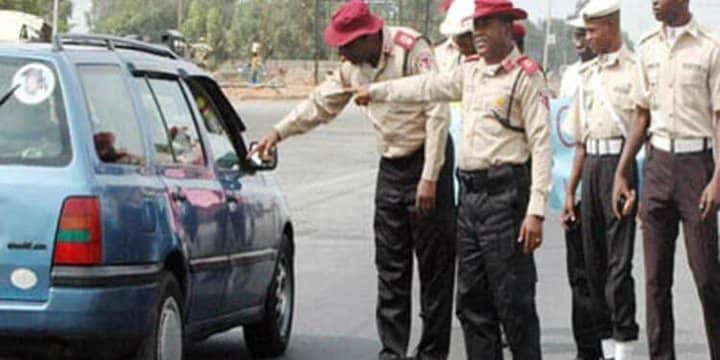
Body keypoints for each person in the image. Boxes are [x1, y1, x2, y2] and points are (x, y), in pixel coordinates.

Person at [249, 2, 455, 359]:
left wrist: (430, 177)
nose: (340, 51)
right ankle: (392, 351)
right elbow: (318, 105)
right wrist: (276, 134)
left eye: (345, 44)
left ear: (367, 36)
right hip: (392, 164)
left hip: (428, 160)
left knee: (434, 268)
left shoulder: (411, 49)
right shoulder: (351, 67)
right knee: (391, 267)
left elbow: (437, 110)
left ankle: (432, 352)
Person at [356, 0, 551, 358]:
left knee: (513, 302)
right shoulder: (470, 72)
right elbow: (425, 87)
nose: (478, 35)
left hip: (505, 197)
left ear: (508, 27)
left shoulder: (525, 75)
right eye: (475, 26)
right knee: (473, 303)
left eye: (487, 25)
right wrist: (378, 91)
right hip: (471, 198)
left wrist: (535, 210)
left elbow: (541, 146)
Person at [612, 0, 720, 358]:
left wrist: (718, 177)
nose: (652, 2)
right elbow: (641, 115)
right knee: (656, 280)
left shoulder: (710, 47)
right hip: (657, 164)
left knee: (706, 276)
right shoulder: (647, 47)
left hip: (697, 166)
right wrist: (622, 171)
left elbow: (719, 118)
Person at [562, 1, 639, 359]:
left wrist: (634, 179)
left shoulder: (636, 71)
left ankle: (623, 347)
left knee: (618, 268)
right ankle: (606, 346)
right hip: (591, 165)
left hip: (621, 167)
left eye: (592, 30)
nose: (587, 37)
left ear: (610, 26)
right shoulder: (587, 76)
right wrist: (570, 189)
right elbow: (579, 140)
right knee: (593, 267)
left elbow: (646, 128)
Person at [560, 3, 596, 99]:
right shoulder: (569, 74)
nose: (578, 44)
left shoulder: (606, 73)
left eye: (583, 36)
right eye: (577, 36)